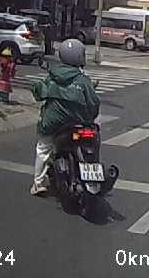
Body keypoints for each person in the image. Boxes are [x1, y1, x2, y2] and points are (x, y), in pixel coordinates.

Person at [30, 38, 100, 196]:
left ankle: (39, 183)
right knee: (94, 137)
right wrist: (91, 117)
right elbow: (94, 102)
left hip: (53, 123)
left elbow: (40, 93)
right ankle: (93, 175)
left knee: (43, 147)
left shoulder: (53, 76)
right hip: (79, 122)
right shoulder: (83, 80)